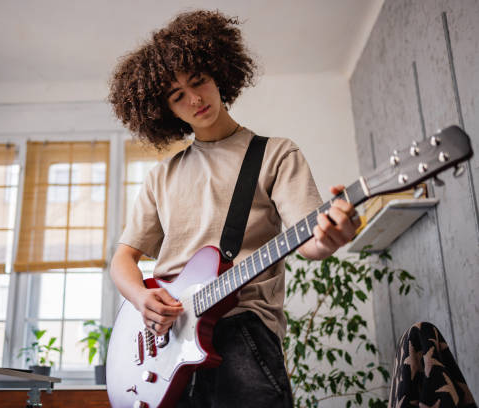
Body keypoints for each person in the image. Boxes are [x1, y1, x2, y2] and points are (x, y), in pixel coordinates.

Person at [107, 10, 360, 408]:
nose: (194, 99)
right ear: (166, 111)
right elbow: (123, 258)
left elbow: (310, 241)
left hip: (244, 330)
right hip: (168, 343)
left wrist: (332, 235)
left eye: (198, 81)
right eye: (177, 96)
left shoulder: (276, 153)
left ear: (218, 74)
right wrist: (142, 299)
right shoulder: (161, 177)